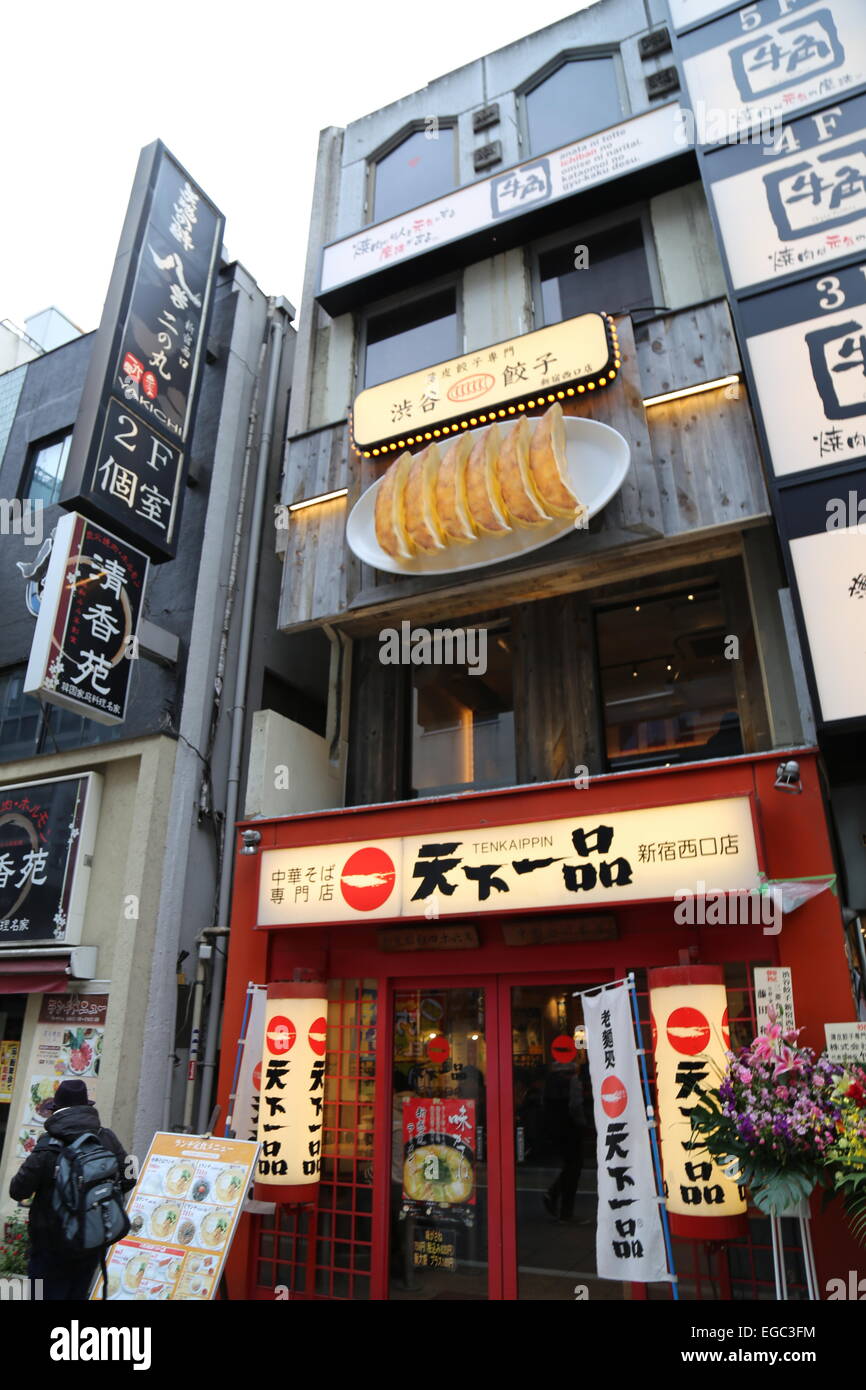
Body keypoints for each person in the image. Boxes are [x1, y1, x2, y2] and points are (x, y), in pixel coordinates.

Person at [9, 1079, 135, 1300]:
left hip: (50, 1245)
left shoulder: (48, 1145)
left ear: (56, 1110)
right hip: (91, 1237)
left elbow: (18, 1190)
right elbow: (129, 1177)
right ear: (86, 1106)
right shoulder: (106, 1137)